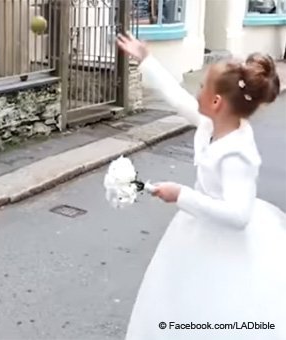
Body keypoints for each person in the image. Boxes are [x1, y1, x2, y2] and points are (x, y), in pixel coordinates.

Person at [116, 32, 286, 340]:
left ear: (216, 101)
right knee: (183, 297)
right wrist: (147, 60)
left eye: (203, 86)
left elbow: (238, 215)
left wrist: (182, 195)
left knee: (215, 303)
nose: (197, 90)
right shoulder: (212, 124)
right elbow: (177, 97)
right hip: (196, 231)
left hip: (224, 244)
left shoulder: (238, 153)